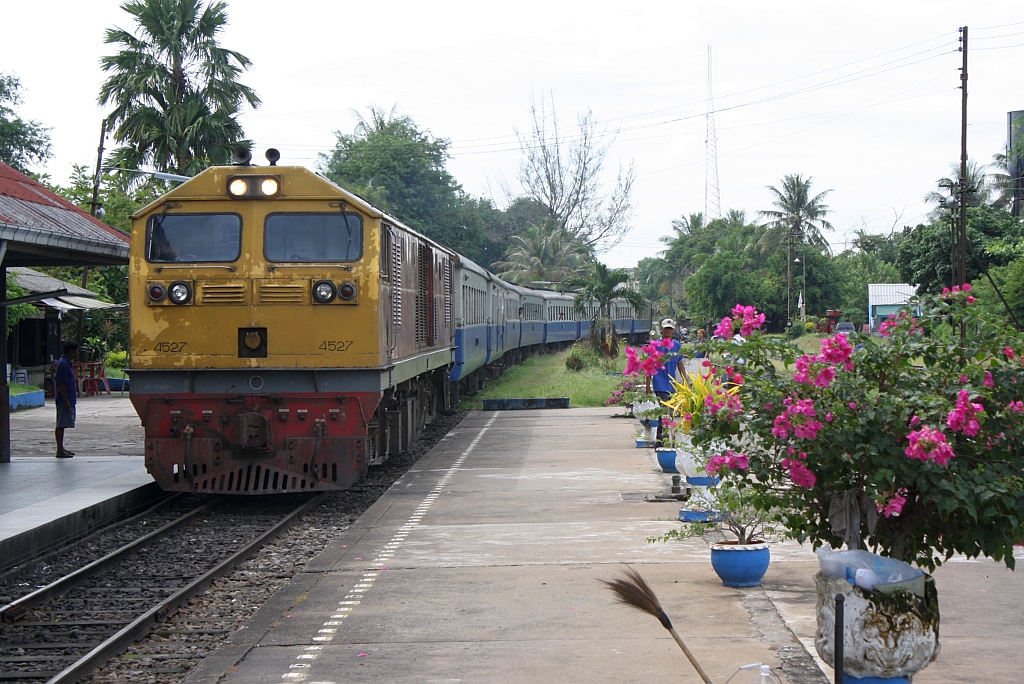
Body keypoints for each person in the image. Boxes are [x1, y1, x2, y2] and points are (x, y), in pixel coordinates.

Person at [651, 318, 682, 447]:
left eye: (670, 328)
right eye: (666, 328)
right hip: (660, 383)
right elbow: (649, 366)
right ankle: (661, 440)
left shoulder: (677, 345)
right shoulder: (655, 345)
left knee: (671, 413)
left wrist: (684, 381)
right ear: (662, 329)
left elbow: (680, 363)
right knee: (663, 412)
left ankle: (667, 439)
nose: (668, 331)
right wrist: (648, 387)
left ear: (673, 330)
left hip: (672, 384)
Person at [54, 341, 79, 458]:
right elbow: (61, 384)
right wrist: (65, 400)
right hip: (64, 399)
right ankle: (59, 449)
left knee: (63, 424)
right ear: (71, 352)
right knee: (61, 424)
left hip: (68, 398)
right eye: (76, 351)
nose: (77, 353)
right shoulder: (63, 364)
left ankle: (61, 448)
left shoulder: (67, 363)